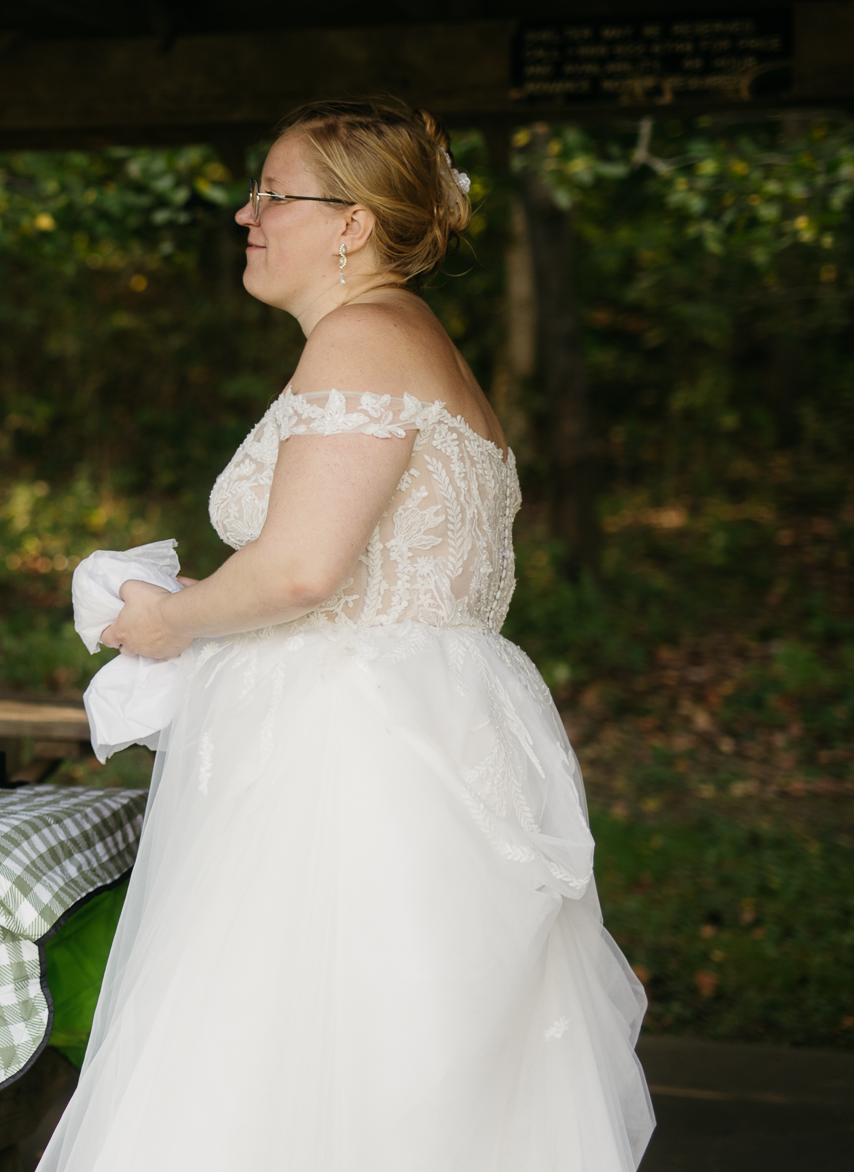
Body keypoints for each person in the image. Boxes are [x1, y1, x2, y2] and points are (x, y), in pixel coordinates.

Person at [40, 101, 654, 1171]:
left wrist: (163, 622)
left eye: (272, 193)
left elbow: (301, 570)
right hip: (413, 723)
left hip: (347, 753)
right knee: (381, 1052)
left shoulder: (362, 337)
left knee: (310, 1046)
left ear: (351, 225)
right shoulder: (403, 341)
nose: (246, 212)